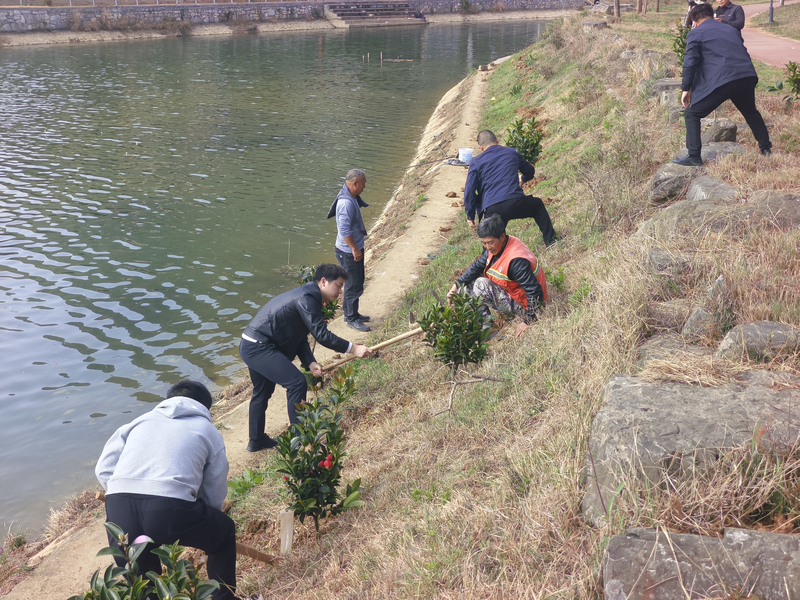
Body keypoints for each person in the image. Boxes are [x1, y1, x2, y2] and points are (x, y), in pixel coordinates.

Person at [95, 380, 236, 600]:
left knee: (142, 580)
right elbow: (214, 486)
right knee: (223, 532)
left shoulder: (138, 422)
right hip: (171, 509)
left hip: (120, 509)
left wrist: (123, 493)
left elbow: (104, 468)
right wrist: (205, 517)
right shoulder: (207, 429)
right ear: (205, 407)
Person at [240, 264, 371, 452]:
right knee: (296, 383)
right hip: (258, 346)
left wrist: (309, 362)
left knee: (262, 392)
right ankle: (300, 440)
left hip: (253, 343)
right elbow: (322, 335)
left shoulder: (308, 295)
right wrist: (353, 348)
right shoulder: (308, 298)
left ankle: (257, 441)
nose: (340, 292)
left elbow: (299, 335)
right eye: (339, 285)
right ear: (323, 281)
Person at [672, 2, 772, 167]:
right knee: (751, 113)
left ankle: (694, 156)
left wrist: (685, 88)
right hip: (746, 75)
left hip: (724, 79)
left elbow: (690, 63)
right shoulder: (731, 29)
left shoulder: (695, 33)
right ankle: (766, 149)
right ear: (713, 16)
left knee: (692, 114)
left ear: (694, 22)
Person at [447, 215, 548, 330]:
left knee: (480, 285)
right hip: (515, 295)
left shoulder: (516, 262)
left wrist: (529, 320)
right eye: (484, 243)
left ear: (502, 237)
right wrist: (456, 285)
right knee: (466, 286)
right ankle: (486, 325)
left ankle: (489, 328)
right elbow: (478, 265)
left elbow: (534, 291)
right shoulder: (500, 245)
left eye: (490, 242)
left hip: (527, 306)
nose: (487, 247)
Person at [463, 130, 559, 247]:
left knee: (491, 241)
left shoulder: (476, 162)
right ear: (497, 140)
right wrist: (522, 178)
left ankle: (490, 261)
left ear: (481, 148)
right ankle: (551, 241)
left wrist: (470, 215)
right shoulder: (511, 152)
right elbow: (530, 171)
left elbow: (469, 191)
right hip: (516, 202)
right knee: (537, 205)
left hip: (492, 208)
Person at [328, 169, 371, 332]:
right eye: (363, 184)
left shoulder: (349, 194)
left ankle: (350, 313)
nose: (364, 187)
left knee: (356, 282)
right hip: (347, 251)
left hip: (351, 249)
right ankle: (351, 318)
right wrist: (354, 249)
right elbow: (344, 231)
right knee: (354, 285)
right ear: (354, 184)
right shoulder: (346, 203)